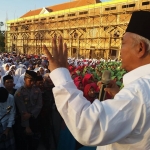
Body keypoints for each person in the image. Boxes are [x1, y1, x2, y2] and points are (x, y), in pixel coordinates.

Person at [43, 10, 150, 150]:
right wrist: (119, 96)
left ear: (140, 48)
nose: (119, 49)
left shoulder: (139, 91)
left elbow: (86, 126)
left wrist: (59, 72)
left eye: (123, 43)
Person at [14, 70, 42, 150]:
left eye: (34, 81)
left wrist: (31, 114)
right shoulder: (19, 93)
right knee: (23, 143)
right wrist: (26, 126)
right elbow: (22, 111)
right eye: (30, 81)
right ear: (25, 79)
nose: (32, 83)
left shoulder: (37, 90)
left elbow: (39, 105)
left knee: (34, 142)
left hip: (34, 118)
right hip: (24, 121)